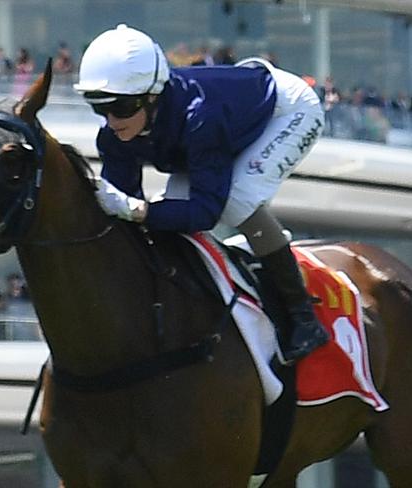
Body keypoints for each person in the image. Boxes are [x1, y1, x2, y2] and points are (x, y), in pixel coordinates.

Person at [73, 24, 328, 365]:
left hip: (287, 110)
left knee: (236, 200)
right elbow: (121, 216)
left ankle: (303, 317)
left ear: (152, 97)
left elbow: (206, 212)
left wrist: (140, 211)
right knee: (172, 215)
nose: (111, 120)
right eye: (99, 107)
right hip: (228, 118)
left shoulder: (200, 118)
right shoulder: (114, 135)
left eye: (122, 107)